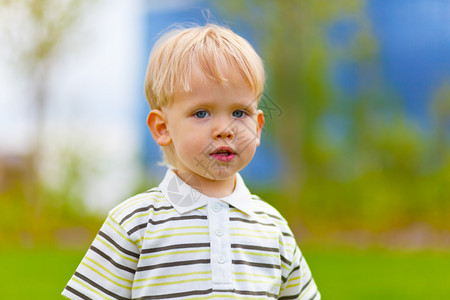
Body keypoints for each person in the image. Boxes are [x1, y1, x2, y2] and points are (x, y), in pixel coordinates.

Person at [62, 23, 320, 300]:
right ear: (163, 128)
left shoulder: (273, 227)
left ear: (257, 128)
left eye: (239, 112)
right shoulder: (134, 223)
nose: (225, 129)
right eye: (201, 113)